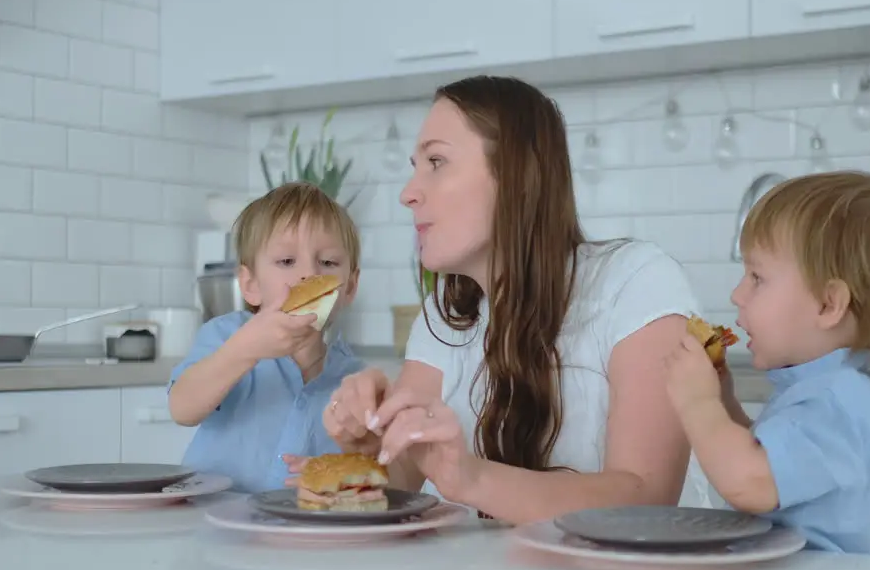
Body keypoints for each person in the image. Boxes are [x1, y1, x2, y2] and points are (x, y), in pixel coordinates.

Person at [298, 75, 704, 524]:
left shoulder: (635, 281)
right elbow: (404, 477)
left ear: (517, 175)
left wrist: (471, 479)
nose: (408, 193)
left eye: (436, 161)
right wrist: (369, 452)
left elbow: (646, 498)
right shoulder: (443, 318)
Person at [665, 171, 870, 554]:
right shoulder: (829, 390)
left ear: (828, 305)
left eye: (757, 277)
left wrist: (699, 403)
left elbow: (751, 481)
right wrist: (724, 402)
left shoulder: (837, 401)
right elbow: (764, 458)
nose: (737, 294)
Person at [167, 182, 363, 493]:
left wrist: (346, 478)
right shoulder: (227, 336)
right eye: (287, 261)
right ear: (251, 285)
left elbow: (366, 468)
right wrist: (245, 349)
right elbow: (182, 408)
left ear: (349, 287)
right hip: (210, 524)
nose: (308, 275)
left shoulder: (354, 378)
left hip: (294, 533)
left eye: (328, 263)